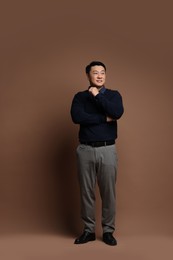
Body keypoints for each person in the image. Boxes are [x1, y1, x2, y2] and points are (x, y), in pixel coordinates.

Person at [70, 61, 124, 246]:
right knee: (86, 192)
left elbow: (117, 112)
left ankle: (108, 231)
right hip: (85, 150)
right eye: (95, 73)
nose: (100, 76)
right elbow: (77, 117)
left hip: (107, 149)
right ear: (88, 76)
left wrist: (99, 96)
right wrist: (103, 118)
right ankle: (89, 230)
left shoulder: (113, 95)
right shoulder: (79, 97)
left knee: (108, 193)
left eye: (102, 72)